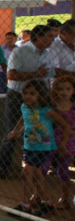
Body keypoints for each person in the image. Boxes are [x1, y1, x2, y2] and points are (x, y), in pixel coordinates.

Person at [0, 24, 55, 178]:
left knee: (39, 130)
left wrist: (48, 96)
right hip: (18, 95)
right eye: (49, 36)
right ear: (39, 37)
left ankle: (36, 167)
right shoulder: (20, 51)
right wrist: (36, 74)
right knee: (12, 131)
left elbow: (49, 76)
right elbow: (11, 75)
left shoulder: (47, 54)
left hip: (40, 99)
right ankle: (3, 168)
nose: (52, 39)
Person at [8, 79, 71, 214]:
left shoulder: (46, 111)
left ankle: (25, 204)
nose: (28, 96)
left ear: (40, 95)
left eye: (32, 93)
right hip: (29, 146)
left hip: (43, 148)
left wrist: (63, 143)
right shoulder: (25, 107)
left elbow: (65, 125)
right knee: (37, 175)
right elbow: (24, 119)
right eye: (26, 93)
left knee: (26, 172)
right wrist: (16, 130)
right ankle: (46, 202)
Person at [49, 75, 75, 209]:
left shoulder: (73, 108)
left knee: (63, 171)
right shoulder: (53, 106)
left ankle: (65, 197)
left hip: (68, 143)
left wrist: (66, 134)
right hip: (50, 142)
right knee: (42, 168)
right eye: (60, 89)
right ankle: (38, 195)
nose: (64, 92)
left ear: (73, 91)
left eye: (68, 89)